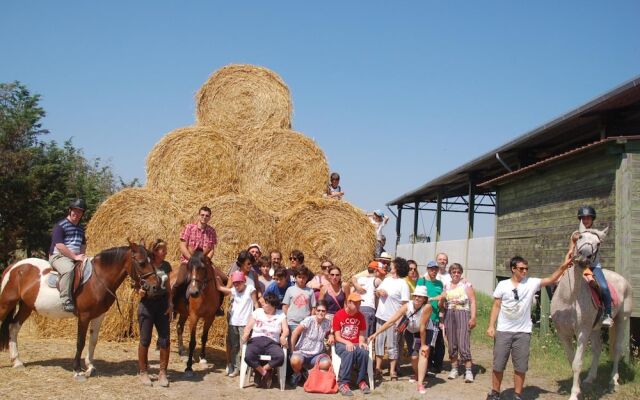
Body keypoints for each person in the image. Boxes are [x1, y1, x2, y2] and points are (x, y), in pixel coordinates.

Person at [486, 252, 573, 400]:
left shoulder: (531, 283)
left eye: (526, 268)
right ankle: (495, 393)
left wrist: (563, 266)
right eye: (521, 269)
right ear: (513, 269)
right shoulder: (503, 285)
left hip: (523, 332)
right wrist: (491, 326)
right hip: (503, 331)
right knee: (498, 365)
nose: (525, 271)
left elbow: (552, 279)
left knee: (520, 366)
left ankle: (517, 395)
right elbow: (496, 306)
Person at [368, 285, 432, 394]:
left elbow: (422, 328)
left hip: (425, 332)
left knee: (423, 354)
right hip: (410, 331)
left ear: (424, 299)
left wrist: (424, 345)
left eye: (420, 297)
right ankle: (417, 373)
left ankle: (420, 383)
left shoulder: (427, 307)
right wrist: (376, 333)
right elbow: (391, 321)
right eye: (415, 296)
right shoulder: (407, 306)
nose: (417, 298)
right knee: (414, 357)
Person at [137, 239, 172, 387]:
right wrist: (138, 291)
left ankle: (162, 373)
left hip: (162, 304)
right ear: (155, 251)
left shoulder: (166, 265)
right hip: (147, 305)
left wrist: (171, 303)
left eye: (165, 250)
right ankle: (143, 372)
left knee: (164, 339)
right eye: (162, 250)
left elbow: (169, 287)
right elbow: (136, 282)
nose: (164, 252)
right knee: (145, 339)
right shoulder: (146, 264)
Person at [572, 205, 613, 327]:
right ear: (580, 219)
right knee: (558, 282)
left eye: (588, 218)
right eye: (583, 218)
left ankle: (607, 314)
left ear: (592, 219)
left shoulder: (597, 235)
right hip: (578, 263)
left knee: (604, 287)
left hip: (594, 266)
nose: (585, 220)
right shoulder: (577, 233)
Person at [373, 257, 410, 380]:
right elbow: (377, 292)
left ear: (397, 268)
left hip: (394, 319)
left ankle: (393, 370)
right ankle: (377, 369)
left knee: (392, 345)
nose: (390, 266)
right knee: (378, 343)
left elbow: (405, 304)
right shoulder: (387, 280)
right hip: (380, 317)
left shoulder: (403, 284)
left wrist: (400, 320)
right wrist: (380, 292)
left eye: (392, 265)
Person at [217, 271, 259, 378]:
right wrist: (217, 280)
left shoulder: (250, 289)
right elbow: (222, 289)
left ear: (244, 281)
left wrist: (258, 316)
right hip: (233, 322)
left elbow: (255, 303)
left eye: (238, 283)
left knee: (245, 346)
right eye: (234, 283)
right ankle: (236, 368)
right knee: (235, 346)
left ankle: (248, 368)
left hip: (245, 323)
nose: (236, 285)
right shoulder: (234, 290)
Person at [243, 293, 289, 389]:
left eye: (265, 303)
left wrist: (283, 337)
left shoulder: (280, 314)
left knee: (280, 357)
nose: (262, 304)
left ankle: (261, 371)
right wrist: (246, 334)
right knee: (248, 356)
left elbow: (286, 330)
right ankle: (265, 373)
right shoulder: (257, 312)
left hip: (272, 342)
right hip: (256, 340)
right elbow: (248, 326)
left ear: (272, 305)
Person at [49, 198, 88, 312]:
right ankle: (66, 299)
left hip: (75, 256)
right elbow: (60, 245)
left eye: (80, 211)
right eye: (75, 211)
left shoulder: (81, 228)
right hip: (59, 256)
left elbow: (83, 244)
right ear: (70, 210)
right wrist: (75, 257)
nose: (77, 213)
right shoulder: (60, 226)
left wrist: (82, 255)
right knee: (68, 269)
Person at [443, 263, 477, 383]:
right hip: (449, 314)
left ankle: (468, 371)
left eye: (458, 272)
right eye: (453, 272)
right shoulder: (446, 285)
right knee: (452, 343)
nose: (456, 274)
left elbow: (472, 301)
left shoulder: (466, 285)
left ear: (461, 273)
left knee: (463, 342)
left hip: (462, 313)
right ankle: (454, 369)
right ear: (450, 273)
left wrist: (473, 317)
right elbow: (443, 302)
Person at [333, 292, 371, 396]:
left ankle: (361, 381)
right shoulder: (338, 315)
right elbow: (337, 337)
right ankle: (343, 383)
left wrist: (362, 343)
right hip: (342, 342)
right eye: (356, 303)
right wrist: (348, 342)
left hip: (355, 343)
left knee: (364, 352)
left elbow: (362, 335)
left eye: (359, 303)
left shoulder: (361, 316)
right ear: (348, 303)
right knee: (349, 351)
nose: (358, 306)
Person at [289, 300, 333, 386]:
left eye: (323, 311)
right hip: (302, 352)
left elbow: (330, 333)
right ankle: (297, 374)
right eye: (319, 310)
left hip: (316, 354)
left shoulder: (327, 323)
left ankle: (309, 373)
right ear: (315, 310)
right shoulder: (309, 320)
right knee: (295, 360)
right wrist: (292, 349)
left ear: (326, 312)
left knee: (326, 363)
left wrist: (331, 335)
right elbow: (295, 333)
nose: (320, 313)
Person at [416, 260, 445, 374]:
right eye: (431, 269)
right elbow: (418, 298)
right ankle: (424, 367)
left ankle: (432, 366)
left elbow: (440, 303)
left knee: (435, 343)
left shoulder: (440, 283)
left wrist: (441, 300)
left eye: (436, 269)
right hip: (424, 316)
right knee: (423, 342)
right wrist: (434, 298)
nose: (434, 271)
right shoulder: (421, 281)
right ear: (427, 269)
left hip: (435, 316)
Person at [282, 266, 316, 348]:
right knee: (291, 346)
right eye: (299, 277)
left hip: (305, 324)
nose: (301, 279)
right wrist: (287, 318)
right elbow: (285, 306)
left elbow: (313, 307)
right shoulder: (290, 290)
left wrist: (310, 321)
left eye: (303, 277)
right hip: (292, 323)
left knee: (303, 346)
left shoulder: (310, 291)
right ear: (295, 278)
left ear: (307, 278)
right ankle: (290, 359)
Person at [351, 261, 383, 337]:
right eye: (379, 271)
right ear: (375, 270)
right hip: (368, 308)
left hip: (357, 307)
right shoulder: (377, 280)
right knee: (366, 336)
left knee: (356, 334)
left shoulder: (360, 279)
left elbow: (352, 290)